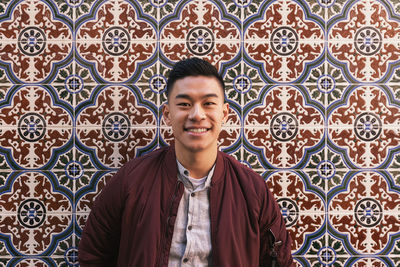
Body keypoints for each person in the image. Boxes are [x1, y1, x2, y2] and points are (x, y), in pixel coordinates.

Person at [78, 57, 293, 266]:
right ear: (167, 114)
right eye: (184, 103)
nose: (197, 114)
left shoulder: (252, 189)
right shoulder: (131, 181)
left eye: (208, 103)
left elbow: (280, 261)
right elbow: (93, 256)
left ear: (224, 113)